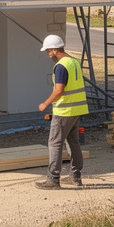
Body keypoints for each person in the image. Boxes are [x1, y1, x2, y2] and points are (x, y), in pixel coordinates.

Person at [36, 34, 88, 189]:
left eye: (48, 51)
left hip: (64, 111)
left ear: (54, 50)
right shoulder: (74, 62)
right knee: (73, 142)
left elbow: (59, 90)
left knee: (54, 143)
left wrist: (45, 103)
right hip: (77, 109)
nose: (47, 54)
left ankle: (53, 179)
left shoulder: (60, 66)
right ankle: (75, 177)